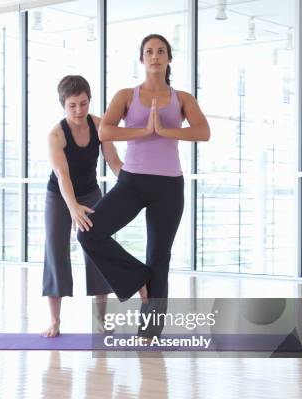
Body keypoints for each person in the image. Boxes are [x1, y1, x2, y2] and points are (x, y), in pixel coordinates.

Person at [77, 34, 210, 338]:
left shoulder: (183, 98)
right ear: (141, 59)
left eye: (161, 51)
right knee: (89, 232)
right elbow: (105, 131)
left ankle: (150, 332)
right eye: (149, 51)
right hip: (132, 181)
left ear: (169, 58)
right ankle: (137, 276)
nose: (155, 56)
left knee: (159, 257)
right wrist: (143, 130)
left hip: (169, 187)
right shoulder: (126, 95)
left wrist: (165, 130)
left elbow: (203, 131)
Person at [42, 75, 123, 337]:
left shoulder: (100, 126)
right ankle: (55, 321)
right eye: (72, 105)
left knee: (96, 251)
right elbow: (62, 176)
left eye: (84, 103)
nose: (79, 111)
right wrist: (73, 207)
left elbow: (115, 163)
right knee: (56, 252)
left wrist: (134, 187)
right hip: (59, 196)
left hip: (89, 194)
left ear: (90, 101)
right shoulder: (56, 135)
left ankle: (101, 320)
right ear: (63, 106)